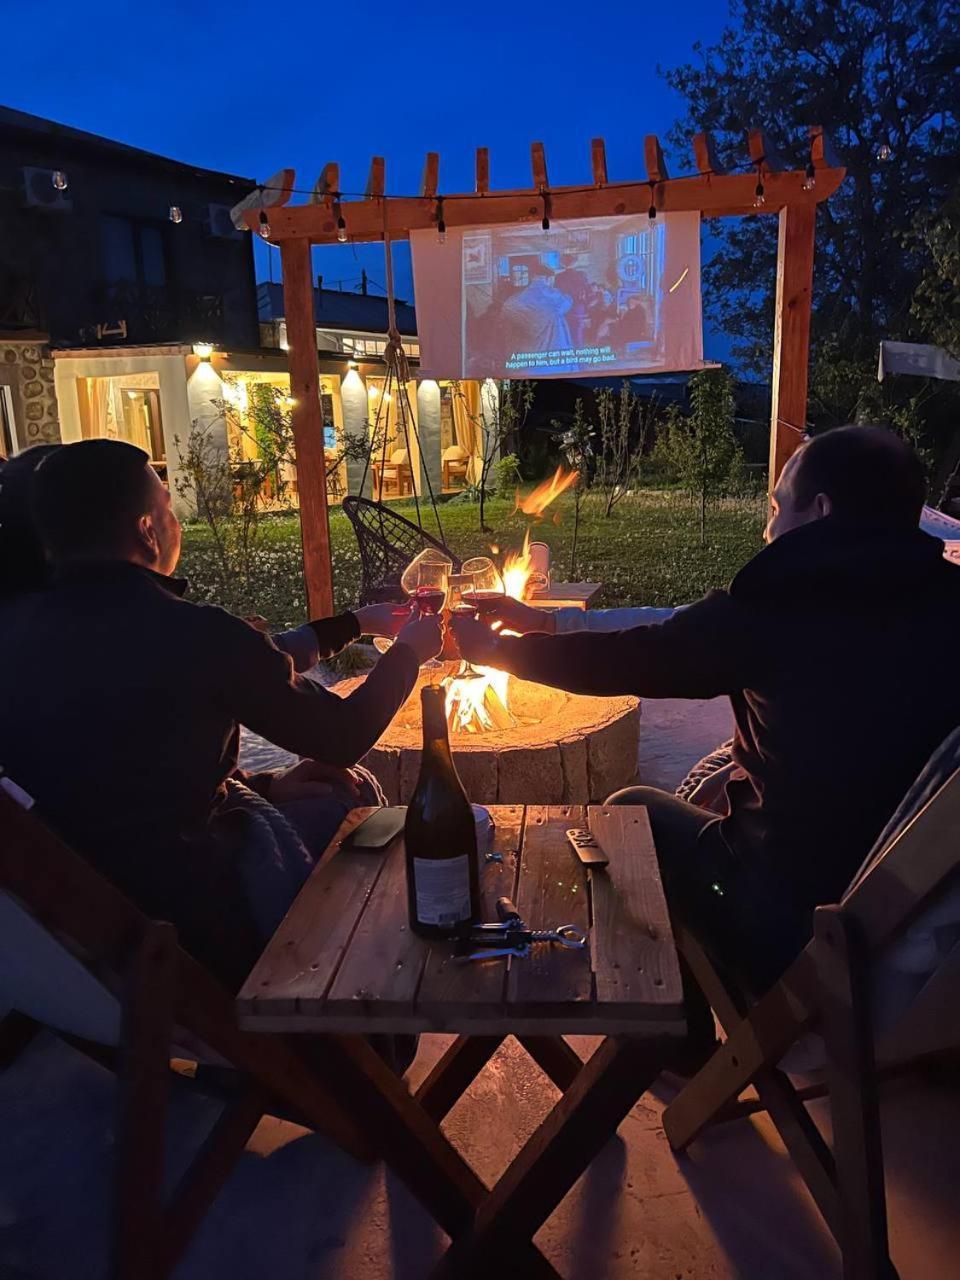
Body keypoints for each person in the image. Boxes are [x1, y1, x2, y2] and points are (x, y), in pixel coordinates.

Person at [454, 426, 960, 1013]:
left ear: (821, 511)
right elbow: (678, 628)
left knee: (629, 812)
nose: (767, 529)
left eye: (775, 508)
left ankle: (674, 1034)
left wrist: (499, 652)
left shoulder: (780, 609)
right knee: (717, 785)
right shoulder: (942, 597)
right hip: (909, 921)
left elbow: (637, 658)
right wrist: (547, 623)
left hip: (799, 928)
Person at [0, 439, 442, 988]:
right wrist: (411, 652)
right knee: (354, 797)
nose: (176, 523)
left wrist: (266, 783)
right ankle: (358, 1005)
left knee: (318, 792)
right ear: (146, 529)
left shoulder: (16, 632)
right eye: (169, 508)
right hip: (193, 922)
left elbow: (115, 765)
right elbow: (341, 736)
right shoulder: (191, 632)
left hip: (78, 946)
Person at [502, 261, 573, 362]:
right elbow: (568, 302)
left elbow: (505, 316)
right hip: (555, 359)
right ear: (548, 279)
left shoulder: (513, 300)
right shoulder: (556, 296)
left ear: (532, 277)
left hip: (525, 360)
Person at [554, 253, 592, 348]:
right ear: (575, 262)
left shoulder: (558, 277)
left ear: (563, 263)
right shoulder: (581, 275)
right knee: (578, 333)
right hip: (578, 308)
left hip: (564, 308)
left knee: (566, 332)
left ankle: (570, 355)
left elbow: (557, 295)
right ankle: (579, 356)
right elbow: (588, 291)